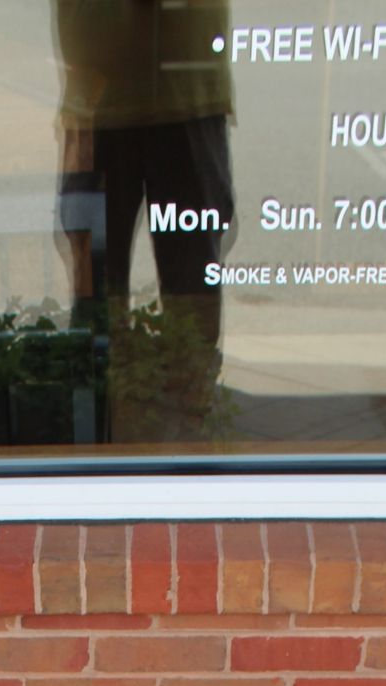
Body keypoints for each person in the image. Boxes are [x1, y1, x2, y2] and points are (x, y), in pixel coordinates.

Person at [52, 0, 235, 440]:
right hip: (111, 88)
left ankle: (185, 421)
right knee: (98, 284)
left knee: (189, 283)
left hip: (177, 85)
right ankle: (103, 420)